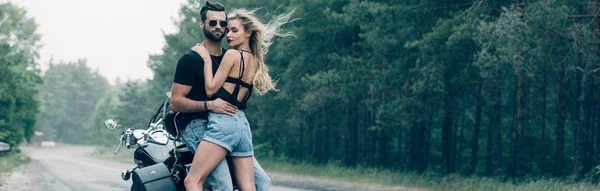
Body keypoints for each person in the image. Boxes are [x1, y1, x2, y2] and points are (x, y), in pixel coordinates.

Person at [184, 8, 294, 191]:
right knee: (249, 186)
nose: (228, 35)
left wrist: (205, 58)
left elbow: (211, 89)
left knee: (192, 181)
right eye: (228, 30)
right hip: (241, 125)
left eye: (234, 31)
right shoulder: (256, 61)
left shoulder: (232, 55)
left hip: (224, 121)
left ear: (248, 33)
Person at [169, 1, 271, 190]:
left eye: (223, 24)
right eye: (213, 23)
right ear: (202, 25)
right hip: (198, 123)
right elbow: (175, 103)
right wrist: (209, 105)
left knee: (262, 182)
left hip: (227, 123)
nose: (219, 28)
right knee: (223, 183)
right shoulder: (190, 60)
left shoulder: (230, 56)